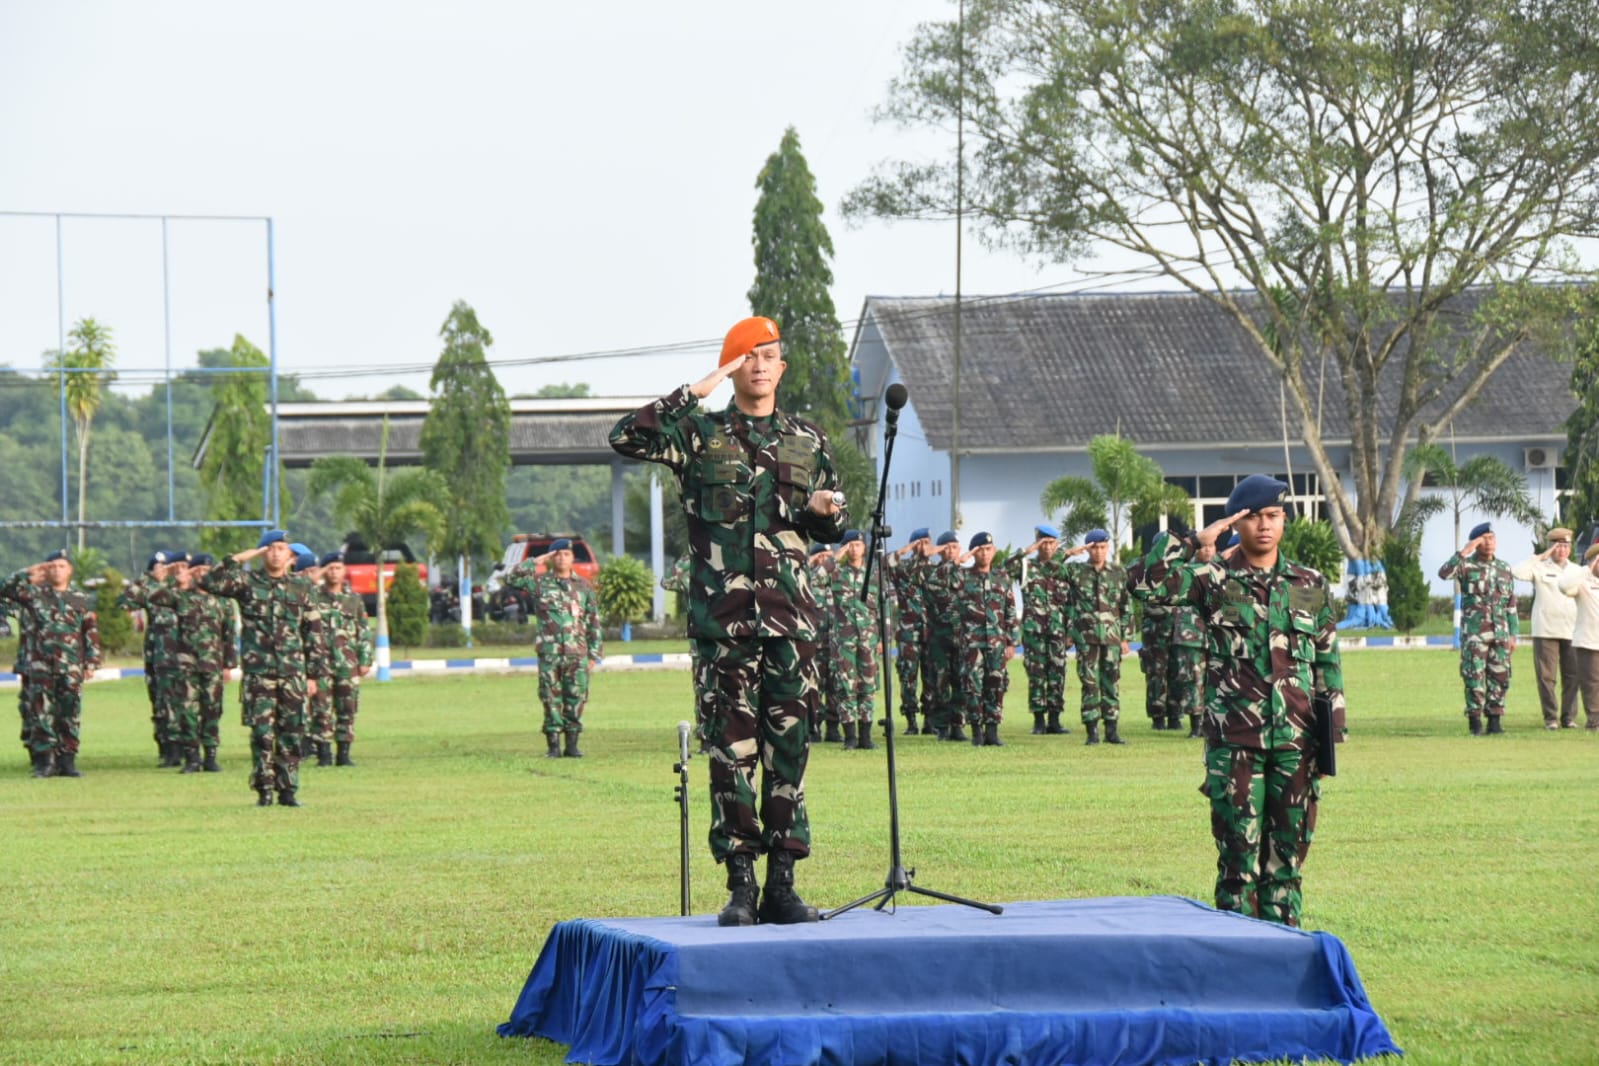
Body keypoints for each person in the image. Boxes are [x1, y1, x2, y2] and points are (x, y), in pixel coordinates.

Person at [609, 314, 845, 926]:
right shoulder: (698, 436)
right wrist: (701, 386)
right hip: (724, 626)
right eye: (747, 357)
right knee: (730, 755)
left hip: (792, 626)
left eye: (768, 356)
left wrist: (823, 512)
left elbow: (832, 527)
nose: (759, 366)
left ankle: (783, 885)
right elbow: (625, 438)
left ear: (781, 367)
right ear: (734, 366)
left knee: (788, 753)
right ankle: (741, 886)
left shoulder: (809, 440)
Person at [1130, 474, 1345, 927]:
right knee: (1238, 866)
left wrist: (1331, 734)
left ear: (1284, 520)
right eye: (1254, 518)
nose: (1264, 526)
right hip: (1236, 747)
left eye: (1273, 516)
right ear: (1236, 523)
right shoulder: (1213, 579)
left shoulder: (1308, 583)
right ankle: (1238, 963)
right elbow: (1145, 585)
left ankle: (1284, 959)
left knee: (1285, 866)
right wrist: (1193, 540)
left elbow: (1326, 658)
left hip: (1296, 744)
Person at [196, 530, 328, 807]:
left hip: (293, 673)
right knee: (262, 734)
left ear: (291, 557)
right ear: (262, 553)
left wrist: (314, 674)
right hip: (259, 674)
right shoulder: (247, 583)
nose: (276, 553)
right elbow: (208, 581)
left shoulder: (302, 588)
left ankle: (288, 790)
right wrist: (241, 557)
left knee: (292, 732)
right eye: (271, 548)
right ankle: (264, 790)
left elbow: (314, 632)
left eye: (282, 548)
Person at [0, 550, 101, 778]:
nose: (57, 570)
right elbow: (4, 589)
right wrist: (27, 573)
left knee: (70, 713)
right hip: (41, 666)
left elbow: (89, 630)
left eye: (62, 566)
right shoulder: (34, 595)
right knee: (41, 713)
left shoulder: (79, 598)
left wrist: (92, 661)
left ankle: (67, 761)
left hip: (71, 667)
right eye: (52, 566)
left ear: (70, 570)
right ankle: (45, 762)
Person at [503, 538, 603, 758]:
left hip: (577, 654)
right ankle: (554, 745)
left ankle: (573, 744)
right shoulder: (539, 583)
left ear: (572, 557)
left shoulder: (584, 587)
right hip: (550, 654)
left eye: (566, 554)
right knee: (550, 698)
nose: (562, 558)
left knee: (576, 697)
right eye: (556, 554)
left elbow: (593, 622)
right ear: (550, 558)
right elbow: (510, 578)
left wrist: (594, 653)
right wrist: (536, 560)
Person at [144, 554, 239, 773]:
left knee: (213, 710)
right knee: (187, 710)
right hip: (186, 663)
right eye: (197, 570)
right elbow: (153, 598)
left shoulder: (222, 601)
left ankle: (211, 756)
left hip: (213, 664)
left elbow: (229, 635)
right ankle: (192, 757)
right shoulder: (181, 597)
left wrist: (228, 665)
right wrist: (173, 579)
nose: (202, 574)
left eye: (206, 570)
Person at [1439, 522, 1518, 735]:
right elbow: (1444, 573)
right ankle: (1475, 721)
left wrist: (1513, 634)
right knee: (1474, 676)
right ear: (1476, 543)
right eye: (1484, 539)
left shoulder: (1504, 568)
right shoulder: (1466, 566)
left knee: (1500, 676)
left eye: (1492, 538)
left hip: (1500, 632)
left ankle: (1495, 720)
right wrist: (1466, 550)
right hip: (1475, 634)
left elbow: (1510, 604)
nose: (1489, 543)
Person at [1060, 529, 1131, 745]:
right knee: (1089, 683)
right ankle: (1092, 731)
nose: (1099, 552)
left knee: (1111, 682)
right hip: (1085, 637)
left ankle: (1112, 730)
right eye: (1094, 548)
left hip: (1111, 638)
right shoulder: (1076, 571)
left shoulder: (1118, 572)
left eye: (1102, 547)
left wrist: (1126, 636)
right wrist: (1070, 552)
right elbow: (1051, 569)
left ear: (1107, 547)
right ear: (1088, 548)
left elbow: (1125, 606)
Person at [119, 551, 186, 767]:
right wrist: (142, 580)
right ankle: (168, 749)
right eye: (157, 567)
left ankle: (189, 747)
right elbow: (125, 602)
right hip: (159, 656)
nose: (163, 570)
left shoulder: (183, 587)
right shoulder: (149, 590)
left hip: (187, 653)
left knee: (187, 702)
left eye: (166, 566)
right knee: (162, 703)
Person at [1511, 528, 1580, 729]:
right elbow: (1517, 572)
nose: (1562, 550)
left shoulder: (1576, 570)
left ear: (1570, 548)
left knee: (1573, 676)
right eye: (1558, 546)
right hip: (1545, 630)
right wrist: (1540, 557)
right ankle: (1551, 718)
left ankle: (1569, 718)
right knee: (1546, 677)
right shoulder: (1539, 567)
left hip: (1572, 630)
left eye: (1565, 546)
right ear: (1550, 547)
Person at [1005, 525, 1071, 735]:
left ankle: (1055, 719)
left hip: (1057, 630)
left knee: (1057, 673)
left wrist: (1070, 631)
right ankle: (1039, 720)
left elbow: (1070, 602)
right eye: (1044, 543)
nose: (1048, 548)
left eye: (1052, 543)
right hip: (1034, 632)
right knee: (1036, 675)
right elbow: (1003, 569)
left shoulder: (1061, 569)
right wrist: (1026, 550)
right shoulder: (1026, 567)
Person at [956, 531, 1019, 746]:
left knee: (996, 684)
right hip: (972, 642)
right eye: (980, 550)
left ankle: (992, 731)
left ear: (994, 551)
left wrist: (1012, 642)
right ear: (974, 552)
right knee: (972, 685)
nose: (984, 554)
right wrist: (961, 559)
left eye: (988, 549)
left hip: (996, 642)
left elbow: (1010, 610)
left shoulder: (1001, 578)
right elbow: (938, 579)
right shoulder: (963, 577)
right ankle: (976, 731)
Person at [316, 551, 373, 766]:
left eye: (338, 567)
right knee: (321, 709)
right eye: (329, 568)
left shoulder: (354, 599)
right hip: (320, 664)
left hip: (347, 664)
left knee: (347, 708)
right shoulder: (313, 597)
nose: (334, 572)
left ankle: (344, 754)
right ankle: (323, 754)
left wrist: (365, 659)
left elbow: (364, 631)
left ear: (344, 570)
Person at [828, 530, 881, 750]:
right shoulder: (837, 574)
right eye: (849, 545)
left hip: (868, 639)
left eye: (857, 544)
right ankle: (850, 736)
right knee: (846, 686)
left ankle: (866, 737)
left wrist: (882, 637)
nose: (854, 549)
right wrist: (834, 558)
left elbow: (882, 606)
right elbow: (815, 578)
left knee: (867, 686)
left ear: (864, 548)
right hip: (845, 640)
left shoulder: (874, 575)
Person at [660, 553, 711, 753]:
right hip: (701, 642)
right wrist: (688, 555)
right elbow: (666, 581)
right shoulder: (693, 567)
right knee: (703, 691)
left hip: (732, 640)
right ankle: (706, 739)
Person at [921, 530, 968, 741]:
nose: (951, 551)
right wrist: (951, 563)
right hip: (939, 637)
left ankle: (958, 725)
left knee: (961, 680)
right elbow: (929, 586)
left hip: (962, 637)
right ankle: (942, 727)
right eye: (946, 547)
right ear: (939, 551)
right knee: (940, 682)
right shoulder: (932, 572)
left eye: (955, 547)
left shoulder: (965, 575)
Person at [887, 527, 934, 735]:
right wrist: (903, 551)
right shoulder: (903, 568)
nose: (924, 547)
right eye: (920, 543)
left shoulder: (936, 569)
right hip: (908, 631)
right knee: (908, 676)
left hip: (931, 631)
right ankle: (911, 720)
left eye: (927, 542)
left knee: (932, 675)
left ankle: (930, 720)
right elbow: (885, 564)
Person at [1557, 542, 1599, 731]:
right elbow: (1564, 586)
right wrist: (1587, 568)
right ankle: (1594, 722)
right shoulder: (1583, 581)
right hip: (1588, 642)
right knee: (1591, 685)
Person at [808, 543, 839, 742]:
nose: (825, 560)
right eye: (821, 556)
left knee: (835, 685)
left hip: (835, 642)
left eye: (827, 556)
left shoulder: (837, 578)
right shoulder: (807, 577)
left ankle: (833, 727)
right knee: (814, 686)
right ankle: (814, 725)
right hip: (813, 642)